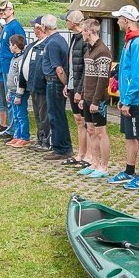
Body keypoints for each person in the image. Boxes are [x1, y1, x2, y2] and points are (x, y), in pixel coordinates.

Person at [108, 4, 139, 190]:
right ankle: (129, 171)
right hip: (128, 97)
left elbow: (138, 74)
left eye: (119, 18)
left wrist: (128, 99)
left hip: (137, 99)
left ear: (126, 21)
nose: (117, 21)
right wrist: (122, 97)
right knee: (130, 136)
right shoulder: (130, 40)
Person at [75, 19, 112, 179]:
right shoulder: (89, 50)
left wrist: (96, 101)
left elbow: (102, 80)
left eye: (83, 30)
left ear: (89, 31)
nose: (82, 33)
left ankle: (104, 166)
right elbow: (86, 76)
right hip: (88, 97)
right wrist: (83, 96)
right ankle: (94, 163)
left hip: (98, 100)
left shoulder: (103, 51)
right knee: (90, 130)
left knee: (100, 132)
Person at [40, 14, 73, 160]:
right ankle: (62, 146)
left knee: (55, 115)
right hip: (55, 82)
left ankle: (61, 148)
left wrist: (65, 84)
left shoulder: (52, 43)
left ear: (44, 27)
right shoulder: (60, 39)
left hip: (54, 82)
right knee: (57, 115)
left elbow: (58, 68)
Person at [62, 10, 91, 167]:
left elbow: (85, 68)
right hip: (73, 85)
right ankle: (80, 153)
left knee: (86, 122)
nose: (65, 22)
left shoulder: (84, 40)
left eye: (67, 20)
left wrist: (80, 90)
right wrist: (67, 83)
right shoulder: (74, 38)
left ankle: (88, 155)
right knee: (78, 121)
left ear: (74, 22)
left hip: (81, 87)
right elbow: (71, 64)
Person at [0, 0, 22, 138]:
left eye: (4, 10)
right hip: (4, 67)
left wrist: (16, 65)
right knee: (5, 98)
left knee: (10, 99)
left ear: (12, 10)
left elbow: (22, 46)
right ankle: (10, 127)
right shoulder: (6, 27)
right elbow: (3, 50)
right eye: (0, 10)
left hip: (11, 67)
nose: (2, 12)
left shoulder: (15, 26)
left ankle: (13, 129)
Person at [24, 18, 52, 151]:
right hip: (32, 85)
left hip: (41, 85)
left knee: (44, 114)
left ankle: (47, 141)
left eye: (35, 27)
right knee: (37, 114)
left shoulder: (47, 44)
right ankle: (40, 138)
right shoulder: (34, 44)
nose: (33, 30)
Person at [5, 35, 30, 147]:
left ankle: (24, 137)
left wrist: (19, 95)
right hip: (12, 91)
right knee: (15, 115)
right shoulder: (14, 58)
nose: (9, 46)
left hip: (19, 92)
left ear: (15, 45)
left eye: (10, 44)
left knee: (21, 115)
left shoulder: (21, 59)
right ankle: (17, 135)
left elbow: (21, 78)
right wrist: (9, 91)